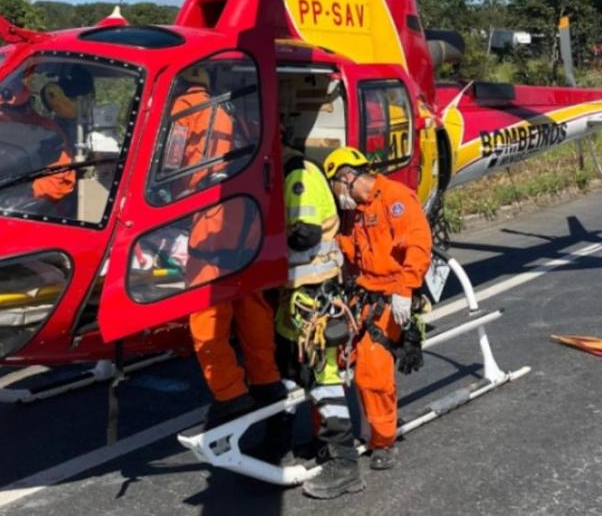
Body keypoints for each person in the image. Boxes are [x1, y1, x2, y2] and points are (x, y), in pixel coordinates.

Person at [174, 64, 286, 435]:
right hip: (245, 221)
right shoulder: (232, 111)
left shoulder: (184, 110)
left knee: (207, 323)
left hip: (210, 225)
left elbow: (173, 168)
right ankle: (267, 382)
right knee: (252, 310)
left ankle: (230, 395)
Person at [324, 146, 432, 472]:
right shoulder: (353, 211)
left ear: (346, 178)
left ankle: (384, 440)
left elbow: (418, 244)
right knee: (335, 359)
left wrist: (405, 290)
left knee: (373, 367)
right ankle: (342, 433)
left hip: (392, 293)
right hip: (361, 292)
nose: (337, 196)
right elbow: (347, 250)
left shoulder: (395, 198)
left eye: (336, 188)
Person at [274, 147, 361, 499]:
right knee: (295, 370)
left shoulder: (298, 174)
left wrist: (262, 244)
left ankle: (346, 463)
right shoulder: (293, 172)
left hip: (314, 297)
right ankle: (303, 441)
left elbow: (305, 234)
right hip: (297, 297)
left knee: (324, 379)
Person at [0, 79, 76, 208]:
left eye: (28, 105)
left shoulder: (48, 132)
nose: (0, 114)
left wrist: (27, 193)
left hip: (41, 204)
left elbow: (59, 180)